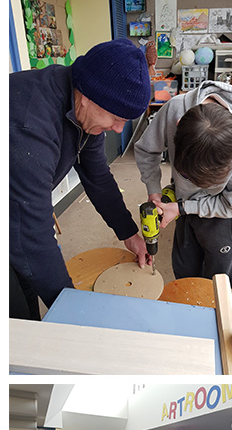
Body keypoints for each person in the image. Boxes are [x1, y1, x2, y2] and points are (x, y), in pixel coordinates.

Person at [9, 39, 152, 320]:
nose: (118, 129)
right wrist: (74, 312)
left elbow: (96, 175)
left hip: (15, 202)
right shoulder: (29, 125)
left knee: (28, 281)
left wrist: (129, 233)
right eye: (115, 118)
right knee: (15, 316)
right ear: (87, 97)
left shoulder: (83, 106)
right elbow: (30, 236)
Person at [134, 80, 232, 293]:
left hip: (223, 215)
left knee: (222, 287)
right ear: (178, 126)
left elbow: (231, 204)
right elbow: (146, 150)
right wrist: (154, 190)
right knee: (184, 272)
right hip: (181, 207)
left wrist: (182, 207)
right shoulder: (175, 109)